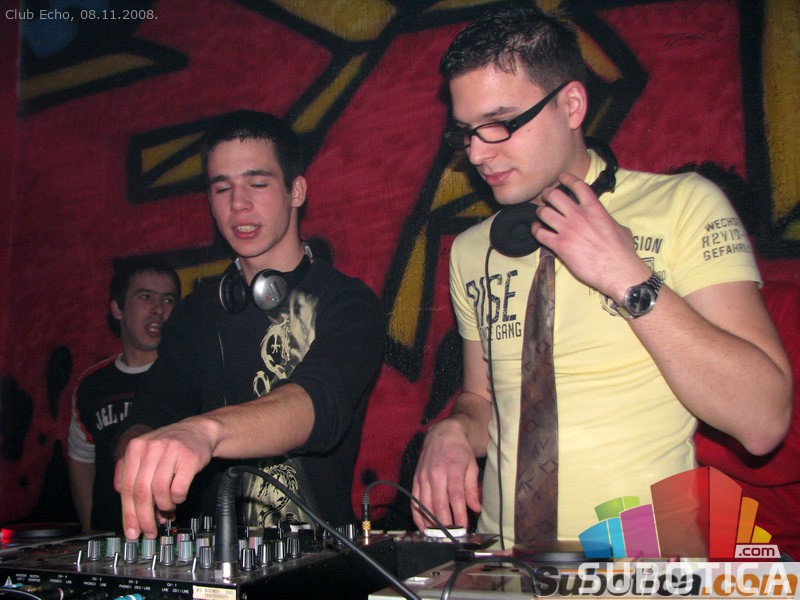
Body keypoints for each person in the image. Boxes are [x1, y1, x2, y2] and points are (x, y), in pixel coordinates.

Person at [412, 5, 792, 550]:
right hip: (503, 567)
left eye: (499, 124)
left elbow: (762, 420)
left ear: (571, 104)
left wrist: (626, 276)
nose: (477, 152)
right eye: (467, 132)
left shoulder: (684, 207)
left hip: (645, 564)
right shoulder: (476, 251)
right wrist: (453, 429)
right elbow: (481, 399)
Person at [114, 111, 384, 541]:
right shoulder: (193, 316)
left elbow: (317, 403)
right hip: (211, 557)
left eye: (257, 184)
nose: (238, 204)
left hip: (319, 557)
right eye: (222, 188)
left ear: (296, 190)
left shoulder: (348, 304)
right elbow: (151, 414)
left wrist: (206, 432)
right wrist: (137, 454)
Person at [68, 258, 180, 532]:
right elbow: (81, 458)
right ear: (118, 308)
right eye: (146, 296)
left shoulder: (187, 377)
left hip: (176, 538)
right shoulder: (92, 384)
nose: (158, 309)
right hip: (110, 537)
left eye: (168, 300)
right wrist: (91, 528)